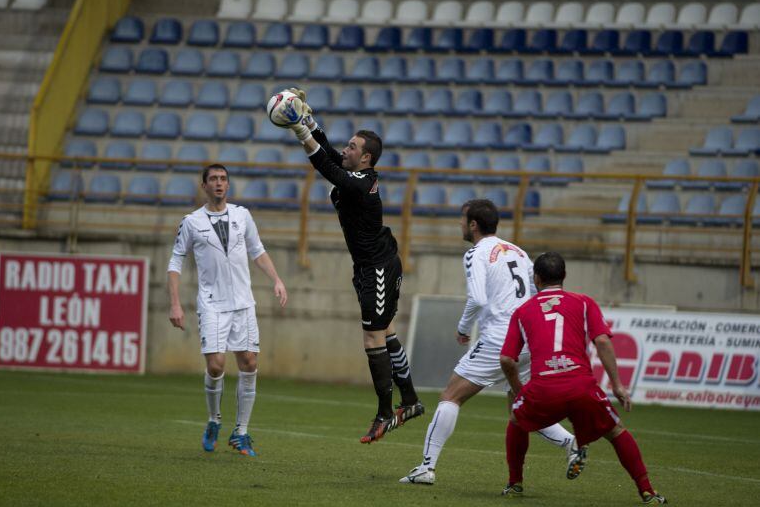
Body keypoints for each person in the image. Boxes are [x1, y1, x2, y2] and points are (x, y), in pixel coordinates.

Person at [275, 88, 423, 444]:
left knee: (373, 335)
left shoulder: (364, 183)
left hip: (378, 268)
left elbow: (325, 165)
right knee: (385, 332)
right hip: (368, 267)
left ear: (367, 157)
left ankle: (386, 413)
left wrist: (299, 131)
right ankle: (412, 401)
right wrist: (309, 120)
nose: (346, 150)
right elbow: (329, 155)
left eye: (353, 147)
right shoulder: (355, 174)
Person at [400, 200, 574, 485]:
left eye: (462, 219)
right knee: (520, 405)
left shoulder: (476, 253)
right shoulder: (518, 251)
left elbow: (478, 298)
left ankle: (426, 467)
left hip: (500, 339)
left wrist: (463, 327)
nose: (459, 224)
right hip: (528, 337)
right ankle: (570, 443)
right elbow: (536, 291)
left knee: (451, 396)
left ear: (473, 225)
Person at [500, 251, 667, 504]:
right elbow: (602, 341)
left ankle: (515, 484)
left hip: (543, 387)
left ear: (536, 278)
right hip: (581, 386)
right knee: (616, 431)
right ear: (564, 276)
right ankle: (647, 491)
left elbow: (506, 360)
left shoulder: (522, 311)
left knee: (516, 420)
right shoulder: (584, 302)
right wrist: (618, 386)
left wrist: (520, 391)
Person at [167, 164, 288, 457]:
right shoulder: (191, 222)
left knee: (248, 362)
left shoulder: (242, 215)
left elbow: (257, 251)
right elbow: (175, 263)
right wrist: (175, 303)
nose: (219, 184)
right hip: (212, 304)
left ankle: (241, 432)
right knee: (216, 365)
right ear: (204, 186)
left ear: (228, 185)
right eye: (213, 180)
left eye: (223, 179)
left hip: (243, 303)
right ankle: (213, 421)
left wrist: (276, 280)